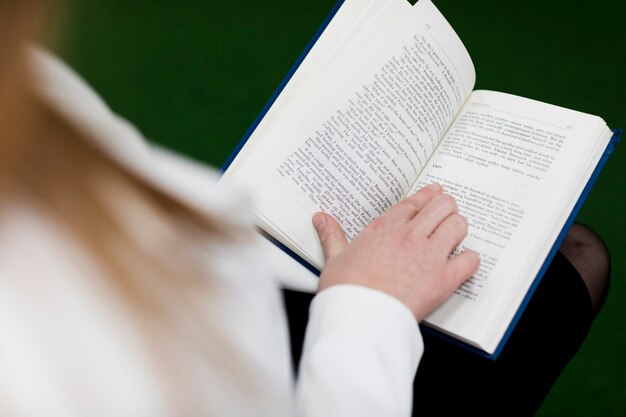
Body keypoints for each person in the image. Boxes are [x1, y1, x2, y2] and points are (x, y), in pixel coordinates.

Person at [0, 1, 610, 416]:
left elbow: (133, 193)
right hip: (314, 371)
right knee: (576, 263)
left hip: (226, 296)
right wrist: (370, 303)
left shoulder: (25, 81)